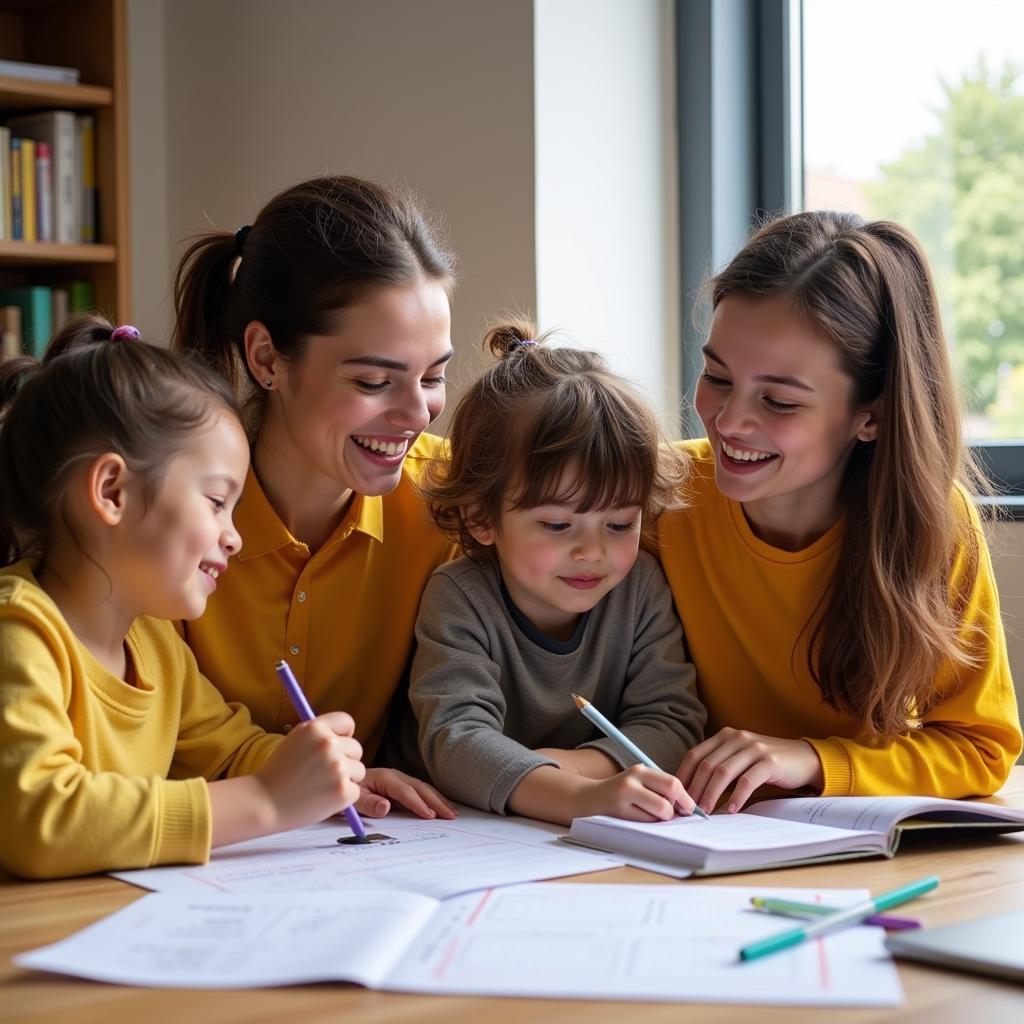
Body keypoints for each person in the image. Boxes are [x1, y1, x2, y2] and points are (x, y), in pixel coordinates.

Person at [657, 211, 1022, 813]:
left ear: (870, 415)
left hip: (842, 849)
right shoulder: (655, 495)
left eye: (778, 399)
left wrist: (810, 759)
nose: (728, 420)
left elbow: (979, 748)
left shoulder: (932, 523)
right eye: (716, 376)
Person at [0, 317, 366, 879]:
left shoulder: (153, 641)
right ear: (112, 492)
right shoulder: (19, 632)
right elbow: (39, 820)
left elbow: (226, 749)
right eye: (217, 501)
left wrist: (315, 771)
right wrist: (267, 801)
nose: (235, 536)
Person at [172, 175, 459, 820]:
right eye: (373, 380)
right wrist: (295, 776)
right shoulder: (164, 510)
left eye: (435, 376)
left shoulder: (450, 498)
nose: (418, 414)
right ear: (267, 357)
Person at [397, 321, 707, 826]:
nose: (593, 552)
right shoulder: (460, 596)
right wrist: (579, 795)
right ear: (481, 518)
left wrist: (575, 769)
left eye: (620, 523)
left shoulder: (639, 588)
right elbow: (455, 741)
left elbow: (671, 723)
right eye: (559, 524)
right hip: (449, 831)